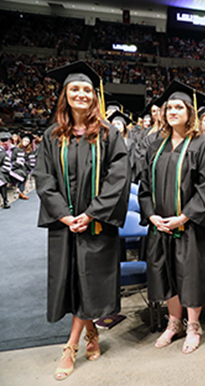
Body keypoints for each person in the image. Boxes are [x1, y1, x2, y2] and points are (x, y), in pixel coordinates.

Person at [34, 61, 130, 380]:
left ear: (95, 97)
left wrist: (91, 213)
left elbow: (118, 178)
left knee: (89, 281)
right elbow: (44, 179)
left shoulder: (108, 134)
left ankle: (70, 345)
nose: (81, 94)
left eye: (87, 90)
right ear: (65, 95)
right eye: (75, 89)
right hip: (65, 226)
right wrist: (63, 214)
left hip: (96, 224)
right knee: (74, 283)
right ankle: (92, 334)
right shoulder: (51, 136)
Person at [138, 81, 205, 354]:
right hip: (161, 225)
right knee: (167, 274)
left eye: (178, 107)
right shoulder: (155, 146)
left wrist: (183, 217)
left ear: (189, 112)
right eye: (169, 107)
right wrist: (151, 216)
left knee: (191, 275)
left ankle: (193, 325)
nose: (172, 111)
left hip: (191, 227)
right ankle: (174, 322)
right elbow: (145, 187)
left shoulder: (202, 145)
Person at [109, 111, 138, 182]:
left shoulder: (130, 143)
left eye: (118, 124)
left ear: (124, 126)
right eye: (113, 124)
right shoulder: (108, 142)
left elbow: (131, 163)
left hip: (125, 177)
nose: (115, 126)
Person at [0, 132, 12, 208]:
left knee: (1, 179)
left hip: (4, 172)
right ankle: (5, 200)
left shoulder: (2, 153)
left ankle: (5, 200)